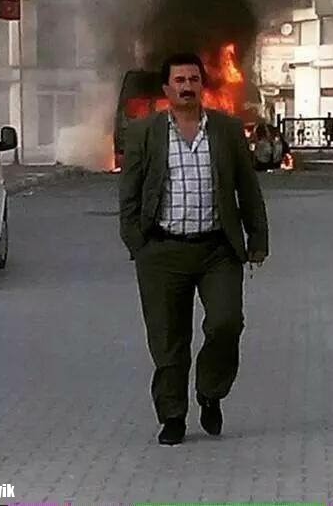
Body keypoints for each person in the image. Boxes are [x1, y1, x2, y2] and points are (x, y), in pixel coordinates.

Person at [119, 52, 269, 446]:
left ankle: (210, 391)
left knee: (226, 323)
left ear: (203, 85)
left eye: (193, 80)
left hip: (218, 249)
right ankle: (172, 416)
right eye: (180, 80)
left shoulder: (226, 130)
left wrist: (257, 239)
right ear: (166, 89)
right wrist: (137, 242)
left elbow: (247, 188)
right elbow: (129, 191)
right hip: (162, 251)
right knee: (168, 339)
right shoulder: (145, 132)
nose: (187, 87)